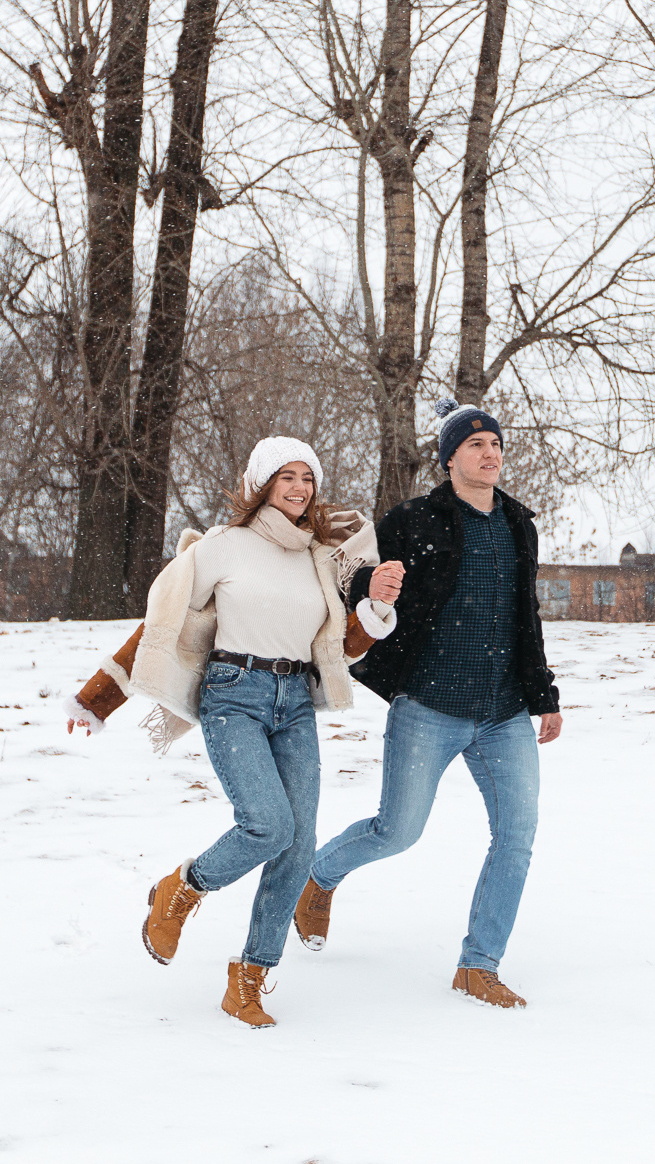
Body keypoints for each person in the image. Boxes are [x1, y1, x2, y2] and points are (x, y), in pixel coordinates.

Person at [63, 436, 404, 1028]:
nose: (299, 488)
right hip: (233, 697)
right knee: (269, 825)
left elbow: (338, 647)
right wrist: (97, 699)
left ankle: (248, 980)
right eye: (286, 477)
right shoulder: (220, 549)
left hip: (294, 702)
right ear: (261, 483)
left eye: (307, 478)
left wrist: (371, 610)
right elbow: (160, 627)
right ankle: (182, 889)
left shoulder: (318, 558)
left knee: (298, 846)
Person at [293, 399, 561, 1010]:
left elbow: (526, 616)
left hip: (502, 713)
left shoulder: (519, 523)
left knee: (517, 833)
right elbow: (356, 576)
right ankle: (320, 875)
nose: (490, 452)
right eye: (474, 445)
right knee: (397, 831)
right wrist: (370, 588)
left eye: (494, 442)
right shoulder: (413, 519)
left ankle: (478, 965)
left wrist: (542, 694)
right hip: (429, 707)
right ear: (449, 460)